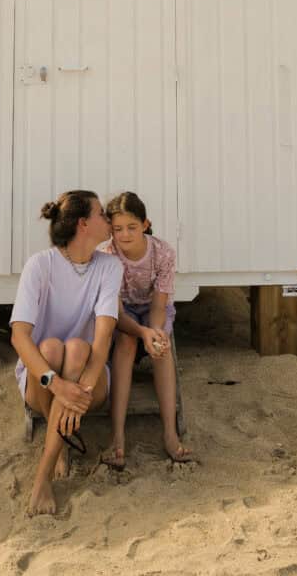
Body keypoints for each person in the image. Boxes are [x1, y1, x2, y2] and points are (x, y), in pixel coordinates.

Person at [10, 190, 122, 515]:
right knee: (49, 347)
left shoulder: (109, 267)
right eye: (102, 214)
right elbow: (19, 337)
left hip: (89, 375)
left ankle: (45, 468)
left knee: (75, 349)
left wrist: (82, 385)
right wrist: (58, 386)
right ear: (84, 224)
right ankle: (57, 447)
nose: (109, 220)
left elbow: (102, 339)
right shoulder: (40, 266)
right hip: (42, 380)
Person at [101, 191, 196, 469]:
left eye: (131, 227)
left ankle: (169, 432)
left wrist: (154, 332)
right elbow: (116, 312)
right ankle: (118, 434)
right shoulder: (107, 255)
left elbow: (159, 302)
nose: (124, 234)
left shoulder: (163, 252)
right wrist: (140, 332)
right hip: (124, 313)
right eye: (117, 229)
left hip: (153, 308)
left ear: (145, 224)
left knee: (161, 346)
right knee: (126, 344)